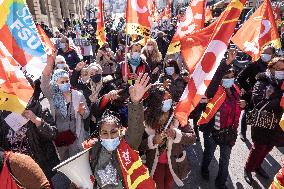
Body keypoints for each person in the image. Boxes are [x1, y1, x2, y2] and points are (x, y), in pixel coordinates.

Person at [83, 73, 155, 189]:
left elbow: (136, 129)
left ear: (120, 131)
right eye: (105, 133)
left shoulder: (127, 145)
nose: (110, 137)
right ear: (99, 135)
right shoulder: (93, 149)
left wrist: (135, 103)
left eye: (114, 132)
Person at [200, 49, 245, 189]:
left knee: (225, 160)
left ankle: (221, 183)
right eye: (226, 76)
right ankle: (204, 169)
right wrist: (226, 63)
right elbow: (217, 76)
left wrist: (244, 104)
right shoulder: (213, 89)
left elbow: (236, 108)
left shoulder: (235, 89)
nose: (229, 79)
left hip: (229, 132)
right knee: (209, 153)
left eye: (232, 76)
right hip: (213, 131)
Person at [140, 86, 196, 189]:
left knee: (169, 185)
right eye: (164, 99)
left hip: (174, 162)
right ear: (155, 102)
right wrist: (152, 141)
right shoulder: (145, 117)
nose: (168, 101)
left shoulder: (178, 114)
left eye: (169, 98)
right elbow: (138, 145)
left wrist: (177, 135)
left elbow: (192, 138)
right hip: (155, 163)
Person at [41, 52, 90, 161]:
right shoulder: (52, 95)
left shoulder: (78, 95)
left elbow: (86, 115)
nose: (65, 83)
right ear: (55, 83)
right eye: (61, 82)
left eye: (67, 81)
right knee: (64, 163)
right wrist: (49, 65)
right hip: (59, 139)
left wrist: (82, 112)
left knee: (77, 161)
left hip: (76, 138)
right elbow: (44, 84)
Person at [244, 57, 284, 185]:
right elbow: (259, 105)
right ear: (270, 67)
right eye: (276, 68)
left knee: (268, 147)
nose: (279, 71)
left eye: (282, 69)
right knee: (258, 148)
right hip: (262, 123)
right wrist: (279, 100)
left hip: (276, 124)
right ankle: (248, 169)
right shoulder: (262, 82)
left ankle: (257, 166)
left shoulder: (282, 84)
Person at [236, 46, 276, 141]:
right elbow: (240, 77)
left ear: (273, 55)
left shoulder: (276, 66)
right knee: (248, 113)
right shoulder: (254, 65)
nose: (264, 55)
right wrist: (249, 88)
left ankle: (261, 135)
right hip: (252, 95)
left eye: (267, 53)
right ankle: (243, 132)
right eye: (263, 52)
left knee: (263, 114)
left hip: (268, 96)